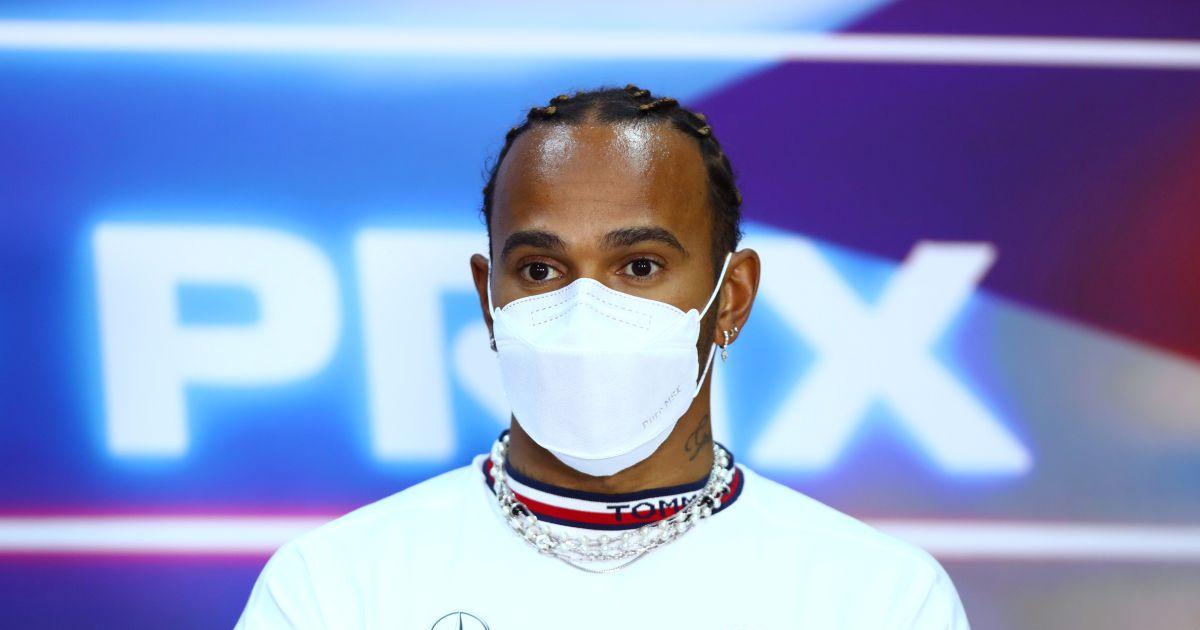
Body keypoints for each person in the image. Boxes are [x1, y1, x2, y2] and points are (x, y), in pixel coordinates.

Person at [235, 85, 970, 629]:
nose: (584, 310)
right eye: (540, 270)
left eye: (640, 267)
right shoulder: (336, 588)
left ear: (732, 298)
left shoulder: (875, 597)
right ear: (490, 299)